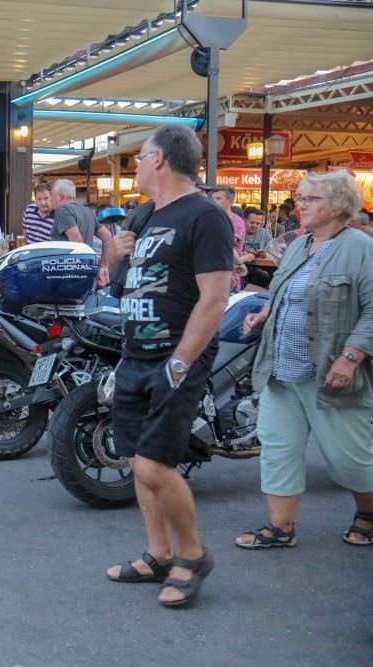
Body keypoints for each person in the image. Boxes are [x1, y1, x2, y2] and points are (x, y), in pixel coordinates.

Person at [103, 125, 233, 607]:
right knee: (137, 461)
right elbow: (120, 284)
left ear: (159, 159)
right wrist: (113, 254)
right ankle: (158, 554)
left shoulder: (205, 216)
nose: (134, 164)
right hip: (135, 353)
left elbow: (216, 297)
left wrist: (180, 362)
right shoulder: (144, 214)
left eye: (139, 156)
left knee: (155, 463)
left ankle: (193, 555)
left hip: (176, 356)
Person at [236, 170, 373, 550]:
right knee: (278, 449)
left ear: (338, 206)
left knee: (350, 459)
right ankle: (281, 528)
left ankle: (368, 513)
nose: (300, 204)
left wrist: (350, 358)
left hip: (331, 372)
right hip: (282, 369)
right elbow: (285, 291)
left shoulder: (359, 247)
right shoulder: (300, 245)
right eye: (300, 197)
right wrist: (264, 314)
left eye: (310, 198)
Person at [50, 179, 113, 286]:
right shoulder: (87, 211)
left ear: (59, 197)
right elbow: (107, 236)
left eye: (52, 196)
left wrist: (75, 275)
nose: (51, 200)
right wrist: (104, 267)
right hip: (87, 274)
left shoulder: (62, 210)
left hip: (68, 276)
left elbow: (77, 241)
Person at [211, 185, 248, 291]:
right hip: (211, 274)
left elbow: (224, 246)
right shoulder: (212, 219)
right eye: (213, 198)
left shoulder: (237, 222)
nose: (214, 201)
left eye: (218, 198)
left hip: (229, 277)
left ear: (230, 201)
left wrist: (241, 262)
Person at [241, 206, 273, 288]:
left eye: (258, 223)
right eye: (252, 222)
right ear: (244, 220)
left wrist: (267, 254)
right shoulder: (238, 232)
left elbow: (274, 251)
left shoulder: (264, 233)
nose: (255, 226)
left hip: (261, 268)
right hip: (241, 266)